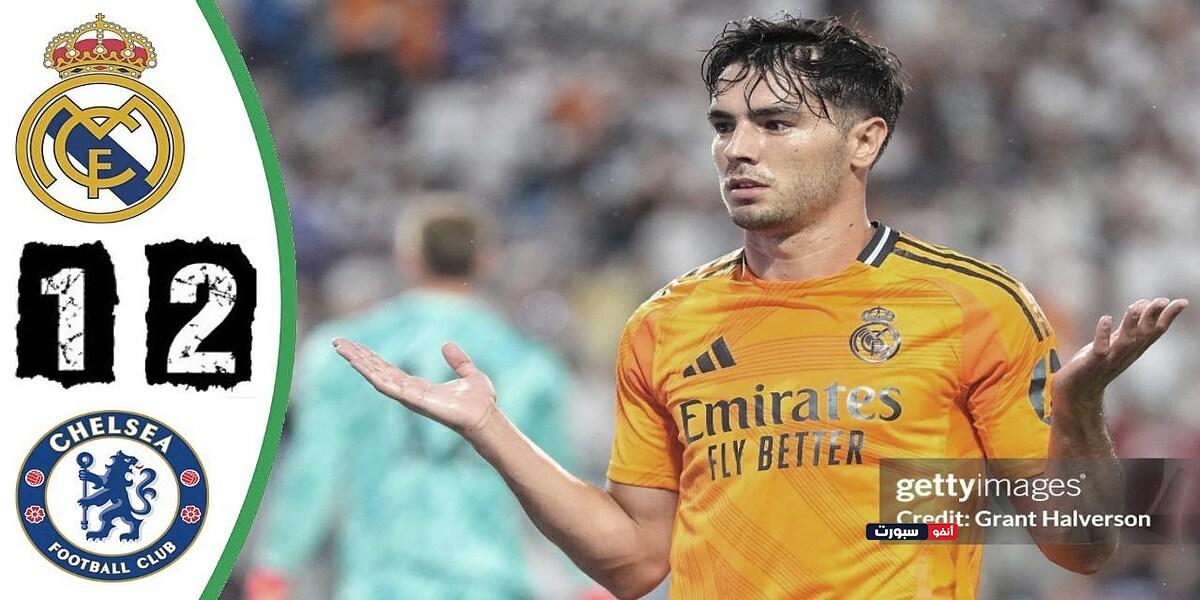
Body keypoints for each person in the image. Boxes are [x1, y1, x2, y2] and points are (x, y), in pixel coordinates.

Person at [331, 15, 1188, 599]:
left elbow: (1082, 545)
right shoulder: (664, 323)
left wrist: (1079, 411)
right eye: (724, 125)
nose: (736, 148)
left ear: (865, 141)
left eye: (775, 124)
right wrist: (491, 430)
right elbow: (634, 563)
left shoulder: (973, 306)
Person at [247, 202, 578, 599]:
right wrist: (587, 580)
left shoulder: (347, 349)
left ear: (409, 258)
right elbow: (556, 483)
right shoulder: (528, 361)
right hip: (489, 581)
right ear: (487, 260)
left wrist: (278, 562)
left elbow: (316, 466)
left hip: (383, 581)